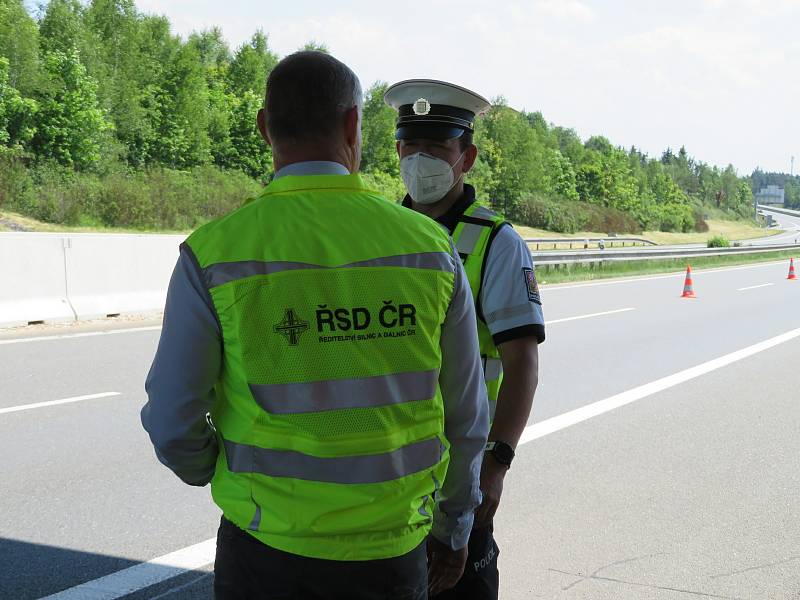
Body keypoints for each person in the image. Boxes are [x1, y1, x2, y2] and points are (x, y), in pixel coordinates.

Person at [141, 53, 489, 600]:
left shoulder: (214, 253)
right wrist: (454, 526)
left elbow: (170, 418)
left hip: (266, 553)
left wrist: (212, 467)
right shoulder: (431, 250)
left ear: (263, 128)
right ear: (353, 124)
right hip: (393, 552)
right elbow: (467, 417)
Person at [386, 80, 545, 600]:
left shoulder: (495, 243)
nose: (421, 159)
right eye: (412, 145)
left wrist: (496, 464)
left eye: (438, 147)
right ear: (396, 150)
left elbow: (521, 364)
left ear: (467, 158)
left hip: (460, 472)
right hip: (387, 474)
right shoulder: (380, 236)